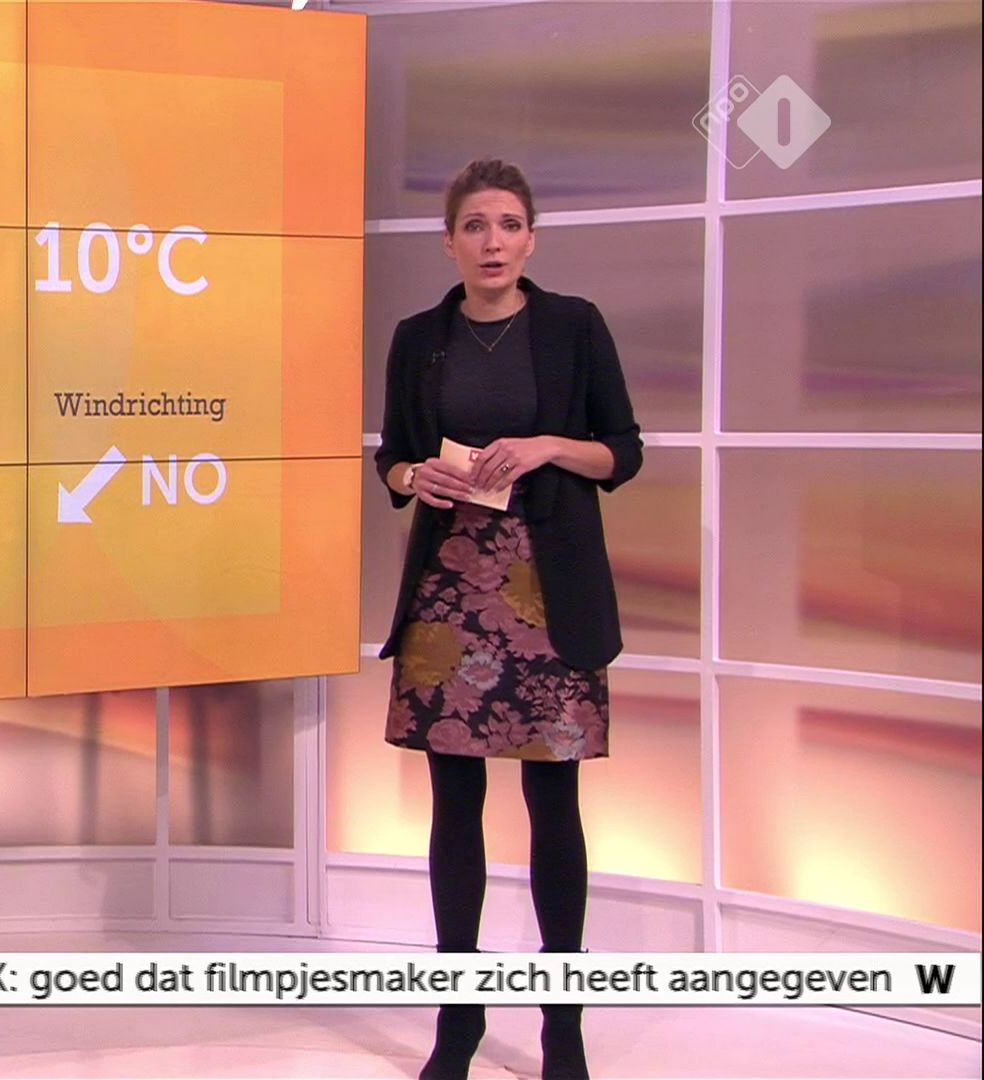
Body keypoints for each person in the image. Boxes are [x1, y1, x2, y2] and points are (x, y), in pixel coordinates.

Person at [373, 159, 643, 1080]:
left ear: (531, 239)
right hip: (450, 591)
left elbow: (623, 453)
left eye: (509, 225)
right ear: (449, 241)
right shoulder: (420, 338)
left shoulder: (574, 325)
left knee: (552, 805)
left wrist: (547, 447)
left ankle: (563, 1025)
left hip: (548, 593)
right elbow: (393, 457)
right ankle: (459, 1018)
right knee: (455, 806)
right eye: (475, 226)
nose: (493, 242)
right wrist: (414, 475)